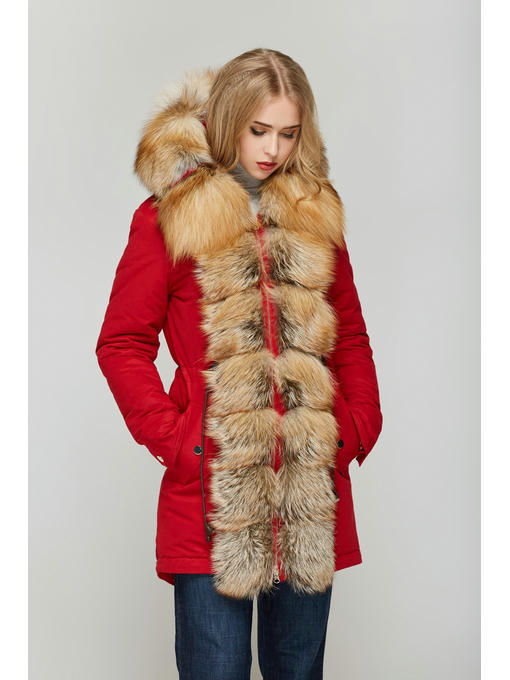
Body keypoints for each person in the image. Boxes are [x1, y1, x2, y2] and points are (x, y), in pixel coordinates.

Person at [95, 48, 383, 679]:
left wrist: (356, 426)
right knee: (215, 669)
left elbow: (351, 338)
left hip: (309, 495)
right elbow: (121, 343)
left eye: (289, 133)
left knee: (298, 671)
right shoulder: (170, 217)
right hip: (212, 501)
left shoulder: (314, 212)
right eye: (259, 130)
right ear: (228, 120)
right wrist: (178, 440)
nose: (273, 149)